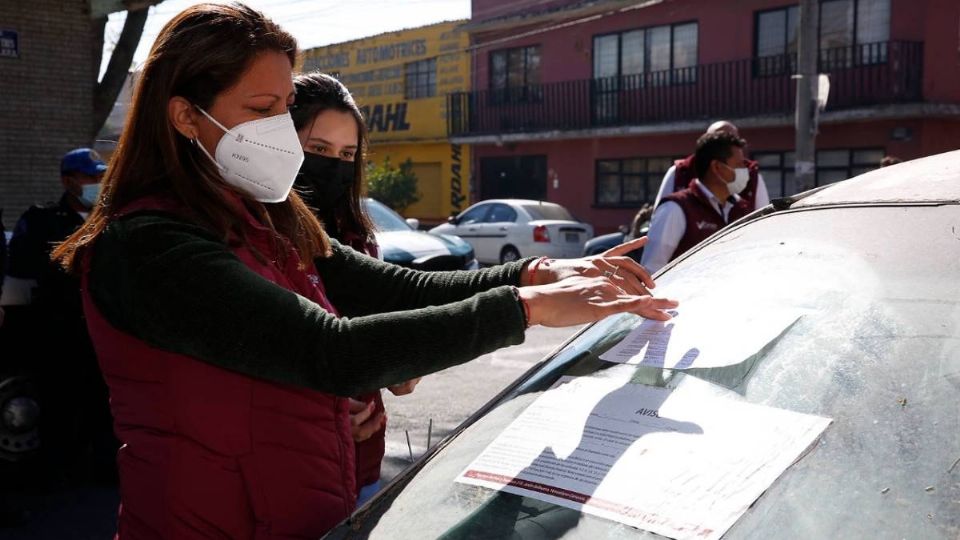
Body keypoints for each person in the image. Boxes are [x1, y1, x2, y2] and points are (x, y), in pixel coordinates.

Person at [50, 4, 677, 538]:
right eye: (261, 108)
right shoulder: (149, 246)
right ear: (186, 116)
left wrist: (536, 275)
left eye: (285, 107)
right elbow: (327, 350)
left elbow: (393, 288)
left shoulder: (265, 217)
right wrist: (526, 310)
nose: (281, 133)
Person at [289, 71, 418, 506]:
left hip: (363, 456)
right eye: (318, 150)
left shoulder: (357, 237)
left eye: (347, 154)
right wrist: (315, 412)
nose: (334, 168)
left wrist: (399, 361)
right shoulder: (252, 236)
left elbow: (377, 324)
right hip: (292, 464)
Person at [6, 148, 118, 484]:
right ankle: (56, 473)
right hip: (59, 330)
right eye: (90, 177)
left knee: (103, 406)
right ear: (68, 180)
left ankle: (103, 470)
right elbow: (24, 263)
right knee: (60, 403)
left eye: (101, 177)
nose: (97, 183)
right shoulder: (42, 220)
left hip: (103, 331)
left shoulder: (111, 221)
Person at [642, 131, 754, 274]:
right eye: (739, 165)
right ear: (717, 167)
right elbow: (651, 272)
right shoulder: (675, 209)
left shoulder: (742, 209)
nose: (746, 171)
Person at [652, 120, 769, 211]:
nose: (741, 169)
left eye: (733, 140)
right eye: (720, 142)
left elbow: (763, 222)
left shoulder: (751, 178)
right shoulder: (680, 174)